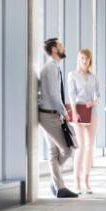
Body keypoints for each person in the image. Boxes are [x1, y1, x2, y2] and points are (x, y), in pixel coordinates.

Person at [38, 38, 78, 199]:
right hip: (49, 115)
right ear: (54, 49)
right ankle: (56, 184)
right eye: (61, 45)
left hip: (48, 113)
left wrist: (62, 107)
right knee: (67, 150)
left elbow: (53, 94)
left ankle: (58, 185)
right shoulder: (51, 68)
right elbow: (54, 95)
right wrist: (65, 113)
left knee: (54, 152)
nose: (64, 47)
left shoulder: (52, 67)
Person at [68, 49, 101, 194]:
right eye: (82, 58)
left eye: (87, 59)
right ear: (78, 59)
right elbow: (71, 94)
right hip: (79, 113)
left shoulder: (93, 77)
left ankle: (87, 181)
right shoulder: (73, 75)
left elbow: (98, 95)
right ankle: (77, 181)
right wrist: (74, 112)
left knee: (89, 148)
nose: (84, 61)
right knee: (81, 146)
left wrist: (94, 102)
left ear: (90, 60)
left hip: (92, 113)